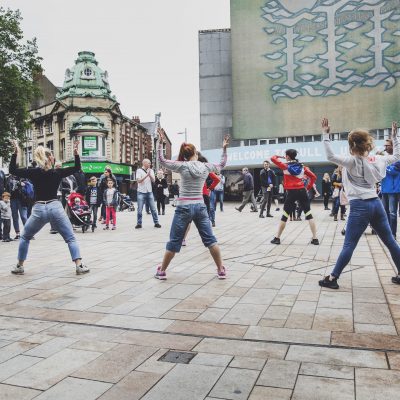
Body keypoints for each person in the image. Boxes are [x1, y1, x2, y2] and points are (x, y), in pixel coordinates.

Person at [319, 119, 400, 289]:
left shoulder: (351, 161)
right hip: (376, 204)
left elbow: (330, 156)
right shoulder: (377, 159)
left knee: (349, 244)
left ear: (352, 145)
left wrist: (326, 134)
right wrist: (395, 136)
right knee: (390, 241)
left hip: (359, 207)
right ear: (367, 143)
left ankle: (333, 278)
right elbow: (397, 156)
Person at [154, 128, 229, 280]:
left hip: (183, 207)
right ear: (195, 152)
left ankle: (162, 271)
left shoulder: (181, 166)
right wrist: (224, 148)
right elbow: (222, 164)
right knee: (210, 240)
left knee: (175, 241)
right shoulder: (206, 167)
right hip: (200, 206)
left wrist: (160, 143)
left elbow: (161, 160)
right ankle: (220, 269)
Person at [9, 140, 90, 276]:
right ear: (50, 158)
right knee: (70, 238)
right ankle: (79, 265)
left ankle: (19, 266)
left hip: (39, 209)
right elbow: (76, 168)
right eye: (52, 156)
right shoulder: (57, 172)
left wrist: (15, 153)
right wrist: (76, 154)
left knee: (25, 237)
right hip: (55, 207)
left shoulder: (34, 172)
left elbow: (12, 170)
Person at [270, 150, 319, 245]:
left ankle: (277, 238)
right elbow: (314, 177)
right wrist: (308, 187)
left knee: (285, 216)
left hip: (291, 192)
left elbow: (273, 158)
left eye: (286, 156)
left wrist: (279, 156)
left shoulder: (285, 166)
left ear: (287, 156)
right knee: (309, 214)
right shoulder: (303, 167)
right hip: (302, 191)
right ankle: (315, 239)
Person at [381, 137, 400, 238]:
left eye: (387, 145)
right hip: (384, 189)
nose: (385, 147)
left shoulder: (398, 158)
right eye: (384, 145)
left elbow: (393, 171)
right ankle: (387, 233)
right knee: (385, 212)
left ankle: (393, 233)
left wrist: (383, 166)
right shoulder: (385, 158)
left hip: (393, 190)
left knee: (392, 213)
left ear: (393, 146)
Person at [135, 159, 161, 229]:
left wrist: (150, 175)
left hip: (149, 192)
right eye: (149, 163)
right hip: (141, 192)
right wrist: (146, 175)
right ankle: (139, 223)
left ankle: (156, 223)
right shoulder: (139, 171)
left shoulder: (151, 170)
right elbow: (138, 181)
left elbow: (153, 180)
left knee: (153, 209)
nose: (150, 164)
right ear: (144, 163)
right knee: (140, 209)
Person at [6, 174, 28, 239]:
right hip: (13, 200)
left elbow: (26, 185)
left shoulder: (22, 176)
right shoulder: (9, 178)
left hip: (21, 199)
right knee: (15, 217)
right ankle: (17, 233)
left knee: (23, 216)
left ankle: (28, 232)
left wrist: (22, 183)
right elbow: (7, 188)